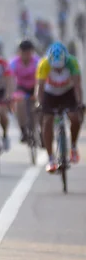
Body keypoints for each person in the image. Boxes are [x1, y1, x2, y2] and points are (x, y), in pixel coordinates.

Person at [36, 42, 83, 172]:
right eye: (55, 68)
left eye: (60, 67)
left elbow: (77, 86)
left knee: (75, 118)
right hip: (50, 94)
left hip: (68, 93)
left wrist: (79, 103)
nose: (58, 70)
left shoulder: (72, 63)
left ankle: (73, 146)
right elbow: (39, 87)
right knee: (47, 121)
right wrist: (40, 104)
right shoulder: (44, 64)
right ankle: (51, 158)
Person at [10, 39, 40, 143]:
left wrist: (37, 94)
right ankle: (23, 130)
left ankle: (38, 129)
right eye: (24, 52)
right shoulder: (14, 63)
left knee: (37, 107)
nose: (26, 55)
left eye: (29, 52)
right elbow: (10, 79)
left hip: (35, 87)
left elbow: (41, 79)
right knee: (19, 104)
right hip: (21, 88)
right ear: (19, 52)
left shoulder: (37, 62)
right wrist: (11, 94)